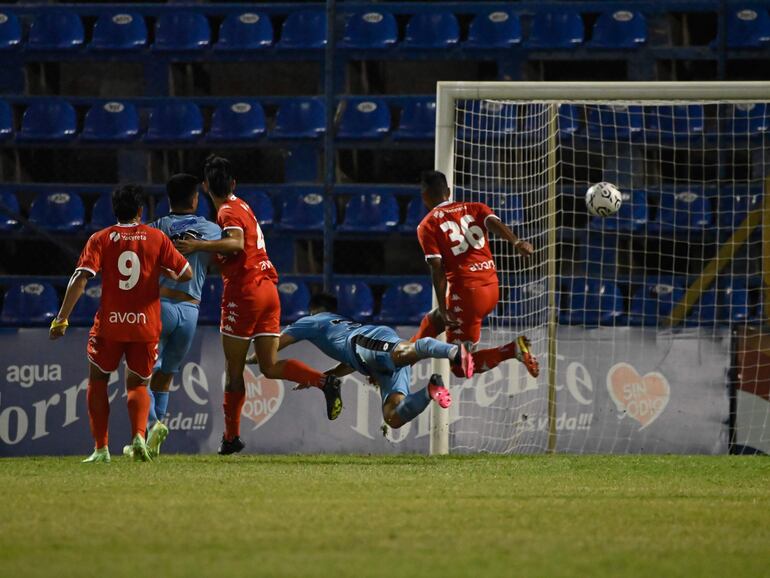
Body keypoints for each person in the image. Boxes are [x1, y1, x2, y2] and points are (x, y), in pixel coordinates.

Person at [173, 155, 340, 455]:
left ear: (206, 185)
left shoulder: (226, 212)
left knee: (234, 371)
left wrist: (199, 246)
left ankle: (230, 437)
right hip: (269, 291)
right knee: (269, 366)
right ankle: (324, 381)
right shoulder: (243, 205)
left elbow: (236, 244)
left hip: (245, 293)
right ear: (234, 183)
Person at [49, 184, 192, 463]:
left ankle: (101, 449)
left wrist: (61, 317)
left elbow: (81, 278)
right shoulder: (157, 238)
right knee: (138, 385)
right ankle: (139, 435)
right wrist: (157, 270)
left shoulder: (101, 238)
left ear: (115, 210)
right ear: (141, 210)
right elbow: (185, 273)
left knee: (98, 380)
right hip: (145, 325)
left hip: (110, 326)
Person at [263, 293, 476, 430]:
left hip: (365, 342)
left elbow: (273, 346)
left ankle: (455, 353)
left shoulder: (310, 321)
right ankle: (430, 390)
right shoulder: (339, 324)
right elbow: (349, 362)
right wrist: (327, 377)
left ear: (313, 310)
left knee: (404, 352)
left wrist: (251, 357)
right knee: (392, 416)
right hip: (368, 358)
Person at [121, 174, 222, 459]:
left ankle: (149, 428)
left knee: (137, 376)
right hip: (190, 312)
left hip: (160, 307)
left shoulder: (154, 229)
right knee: (164, 377)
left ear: (168, 199)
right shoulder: (212, 230)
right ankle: (154, 441)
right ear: (195, 199)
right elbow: (232, 248)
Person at [414, 170, 539, 379]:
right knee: (432, 321)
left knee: (460, 367)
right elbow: (492, 222)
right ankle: (399, 360)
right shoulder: (476, 207)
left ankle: (512, 350)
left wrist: (445, 309)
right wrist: (516, 242)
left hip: (467, 296)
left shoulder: (427, 225)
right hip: (491, 288)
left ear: (424, 197)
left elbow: (437, 268)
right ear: (449, 191)